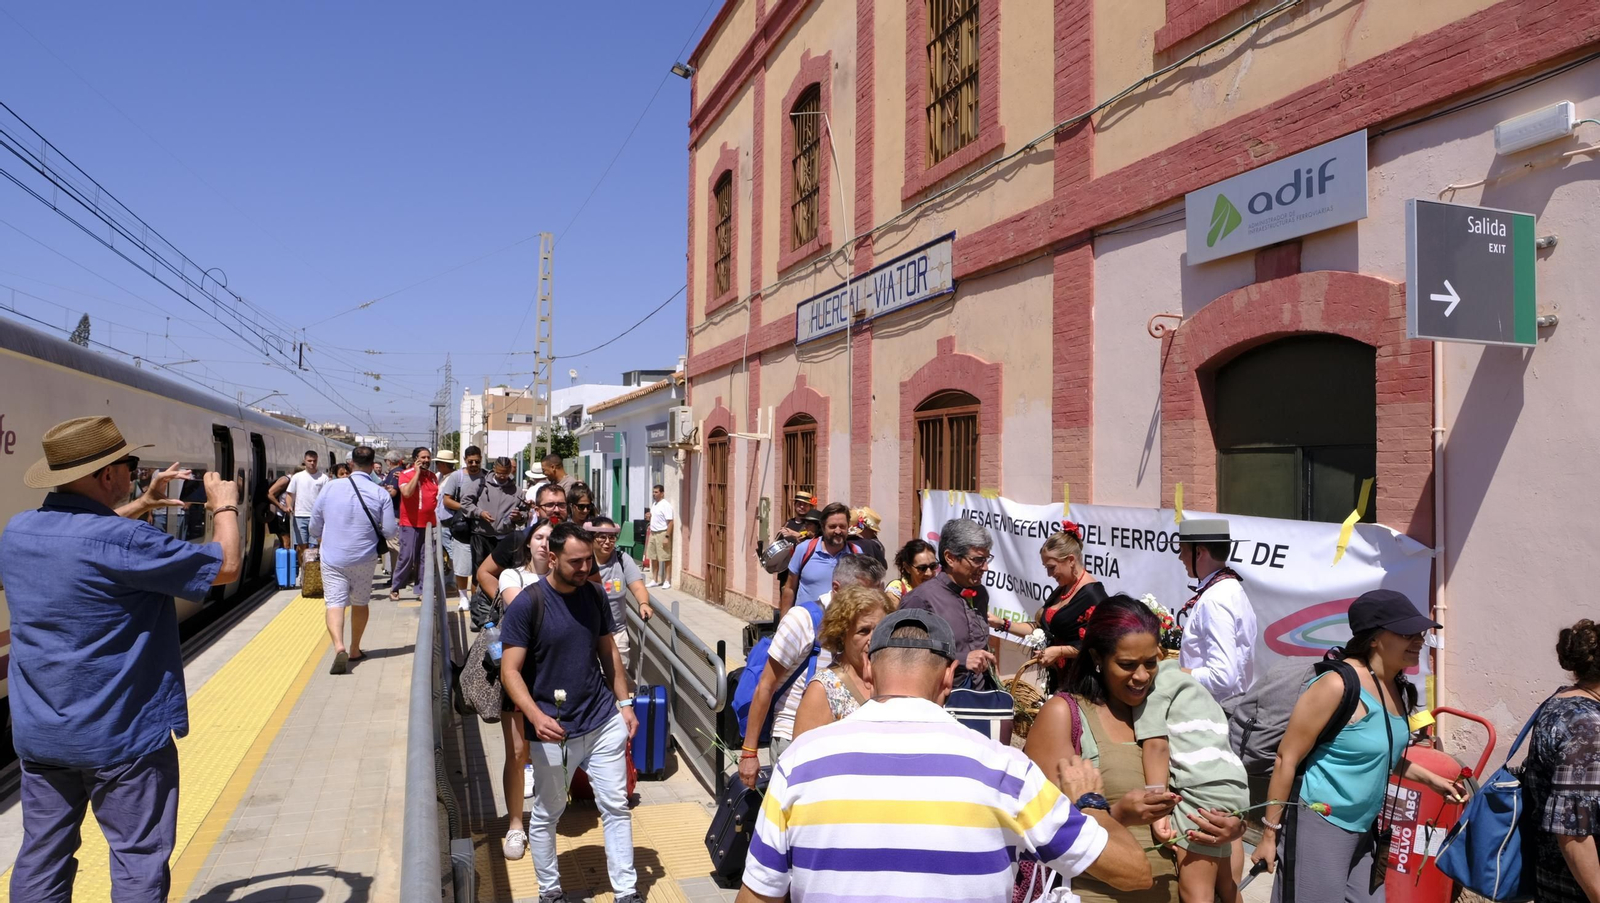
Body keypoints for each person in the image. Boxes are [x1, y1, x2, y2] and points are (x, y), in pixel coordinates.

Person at [736, 608, 1153, 903]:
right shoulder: (1002, 767)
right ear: (950, 677)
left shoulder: (800, 762)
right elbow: (1134, 872)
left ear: (869, 668)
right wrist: (1092, 804)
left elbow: (759, 894)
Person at [0, 416, 242, 903]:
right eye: (128, 466)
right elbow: (227, 565)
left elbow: (85, 538)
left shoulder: (19, 531)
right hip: (122, 736)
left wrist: (145, 503)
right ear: (105, 475)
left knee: (42, 856)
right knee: (137, 859)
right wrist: (225, 505)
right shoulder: (130, 544)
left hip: (41, 733)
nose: (132, 474)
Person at [1251, 590, 1467, 903]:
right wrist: (1270, 834)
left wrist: (1432, 780)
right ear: (1375, 639)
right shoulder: (1337, 685)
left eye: (1420, 633)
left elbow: (1379, 755)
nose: (1419, 640)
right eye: (1407, 633)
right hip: (1320, 824)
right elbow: (1287, 758)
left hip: (1364, 830)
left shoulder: (1397, 688)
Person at [1025, 596, 1245, 903]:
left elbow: (1209, 785)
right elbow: (1041, 829)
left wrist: (1231, 827)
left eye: (1151, 663)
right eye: (1127, 665)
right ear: (1097, 659)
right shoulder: (1065, 715)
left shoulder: (1173, 711)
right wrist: (1118, 815)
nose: (1141, 676)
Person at [500, 522, 641, 903]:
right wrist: (534, 716)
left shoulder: (593, 595)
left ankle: (626, 892)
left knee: (615, 805)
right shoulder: (529, 604)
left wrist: (624, 705)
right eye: (575, 562)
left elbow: (608, 652)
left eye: (588, 560)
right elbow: (509, 671)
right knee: (548, 812)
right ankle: (550, 891)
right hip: (552, 730)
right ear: (551, 557)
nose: (584, 568)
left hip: (601, 719)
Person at [738, 554, 885, 788]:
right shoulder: (803, 620)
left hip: (840, 739)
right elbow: (766, 685)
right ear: (836, 588)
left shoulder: (869, 625)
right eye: (862, 592)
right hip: (793, 738)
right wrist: (749, 752)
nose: (869, 601)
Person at [1137, 661, 1249, 903]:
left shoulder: (1154, 689)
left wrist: (1158, 810)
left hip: (1202, 790)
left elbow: (1156, 745)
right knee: (1227, 886)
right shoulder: (1188, 684)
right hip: (1233, 782)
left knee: (1195, 893)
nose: (1139, 675)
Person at [1523, 618, 1600, 903]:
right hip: (1576, 888)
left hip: (1555, 877)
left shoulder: (1562, 699)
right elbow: (1572, 830)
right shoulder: (1588, 725)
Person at [492, 517, 555, 859]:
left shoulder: (566, 581)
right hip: (519, 674)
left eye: (551, 538)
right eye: (539, 537)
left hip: (556, 675)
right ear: (528, 543)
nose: (545, 543)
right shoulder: (512, 576)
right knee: (518, 754)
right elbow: (523, 611)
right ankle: (516, 825)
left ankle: (545, 820)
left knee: (550, 754)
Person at [990, 522, 1111, 692]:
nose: (1049, 574)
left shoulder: (1094, 596)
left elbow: (1101, 645)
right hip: (1060, 682)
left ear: (1070, 560)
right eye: (1046, 568)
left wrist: (1059, 651)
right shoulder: (1063, 589)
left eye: (1052, 567)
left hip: (1082, 685)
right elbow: (1041, 631)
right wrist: (1001, 624)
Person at [308, 446, 397, 675]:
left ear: (351, 464)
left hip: (333, 557)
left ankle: (339, 647)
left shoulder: (330, 487)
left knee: (335, 603)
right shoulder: (380, 493)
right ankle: (355, 648)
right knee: (360, 602)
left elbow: (314, 525)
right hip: (364, 558)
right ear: (372, 465)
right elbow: (389, 531)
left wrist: (323, 537)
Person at [900, 518, 998, 689]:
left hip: (980, 701)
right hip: (941, 703)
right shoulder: (921, 599)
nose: (985, 568)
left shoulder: (980, 594)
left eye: (986, 559)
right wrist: (960, 659)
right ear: (950, 558)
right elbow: (905, 653)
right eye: (977, 560)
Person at [791, 584, 896, 739]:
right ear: (842, 634)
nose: (873, 639)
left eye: (881, 630)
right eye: (863, 631)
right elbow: (802, 756)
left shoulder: (894, 678)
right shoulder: (823, 689)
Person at [1173, 518, 1257, 701]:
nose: (1180, 557)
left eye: (1182, 550)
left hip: (1210, 713)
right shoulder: (1229, 589)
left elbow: (1222, 678)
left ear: (1199, 553)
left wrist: (1172, 672)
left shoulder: (1215, 600)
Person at [588, 515, 653, 667]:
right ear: (591, 538)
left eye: (612, 537)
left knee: (616, 676)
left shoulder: (622, 559)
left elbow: (637, 586)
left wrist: (643, 603)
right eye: (602, 537)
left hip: (616, 631)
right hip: (588, 631)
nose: (607, 542)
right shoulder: (583, 561)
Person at [780, 502, 860, 616]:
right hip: (807, 626)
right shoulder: (804, 549)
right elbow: (789, 588)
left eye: (842, 526)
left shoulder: (856, 553)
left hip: (841, 626)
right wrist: (783, 623)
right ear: (823, 527)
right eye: (832, 526)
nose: (838, 531)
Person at [441, 446, 488, 611]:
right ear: (464, 460)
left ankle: (479, 597)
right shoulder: (457, 477)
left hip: (483, 528)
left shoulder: (487, 476)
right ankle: (463, 597)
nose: (474, 464)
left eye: (477, 461)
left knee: (481, 564)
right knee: (462, 565)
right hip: (463, 528)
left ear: (481, 459)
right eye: (470, 461)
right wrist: (467, 507)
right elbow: (447, 500)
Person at [388, 446, 438, 601]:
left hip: (429, 524)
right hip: (409, 523)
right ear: (416, 459)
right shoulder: (405, 474)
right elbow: (407, 493)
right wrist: (416, 473)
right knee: (407, 556)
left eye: (428, 457)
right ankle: (396, 587)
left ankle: (422, 589)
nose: (426, 460)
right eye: (423, 457)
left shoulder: (432, 477)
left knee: (425, 559)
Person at [284, 449, 327, 572]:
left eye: (314, 461)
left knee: (314, 547)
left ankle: (313, 571)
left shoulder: (323, 478)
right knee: (302, 546)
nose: (312, 463)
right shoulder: (297, 477)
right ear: (305, 461)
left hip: (316, 517)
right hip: (300, 515)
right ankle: (304, 570)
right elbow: (290, 494)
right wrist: (289, 505)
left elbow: (326, 497)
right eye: (309, 461)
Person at [774, 492, 818, 597]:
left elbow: (812, 538)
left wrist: (794, 534)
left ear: (810, 507)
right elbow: (778, 543)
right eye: (799, 504)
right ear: (794, 506)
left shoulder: (812, 524)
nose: (802, 507)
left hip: (803, 570)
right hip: (786, 570)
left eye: (805, 504)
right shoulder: (789, 523)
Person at [379, 448, 405, 575]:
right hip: (395, 514)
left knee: (395, 547)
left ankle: (397, 576)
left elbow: (393, 492)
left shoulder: (396, 473)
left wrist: (383, 490)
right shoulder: (396, 472)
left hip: (395, 514)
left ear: (388, 461)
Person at [644, 483, 674, 588]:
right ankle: (654, 579)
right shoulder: (654, 504)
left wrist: (667, 536)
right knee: (653, 557)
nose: (654, 494)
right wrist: (649, 517)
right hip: (653, 533)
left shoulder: (665, 505)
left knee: (665, 557)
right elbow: (655, 518)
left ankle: (667, 580)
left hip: (662, 533)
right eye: (653, 492)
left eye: (656, 492)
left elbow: (670, 522)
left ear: (662, 493)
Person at [265, 471, 292, 549]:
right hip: (279, 515)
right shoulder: (286, 480)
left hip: (287, 516)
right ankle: (284, 560)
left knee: (288, 542)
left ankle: (285, 559)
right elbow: (269, 494)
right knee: (286, 542)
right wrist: (282, 507)